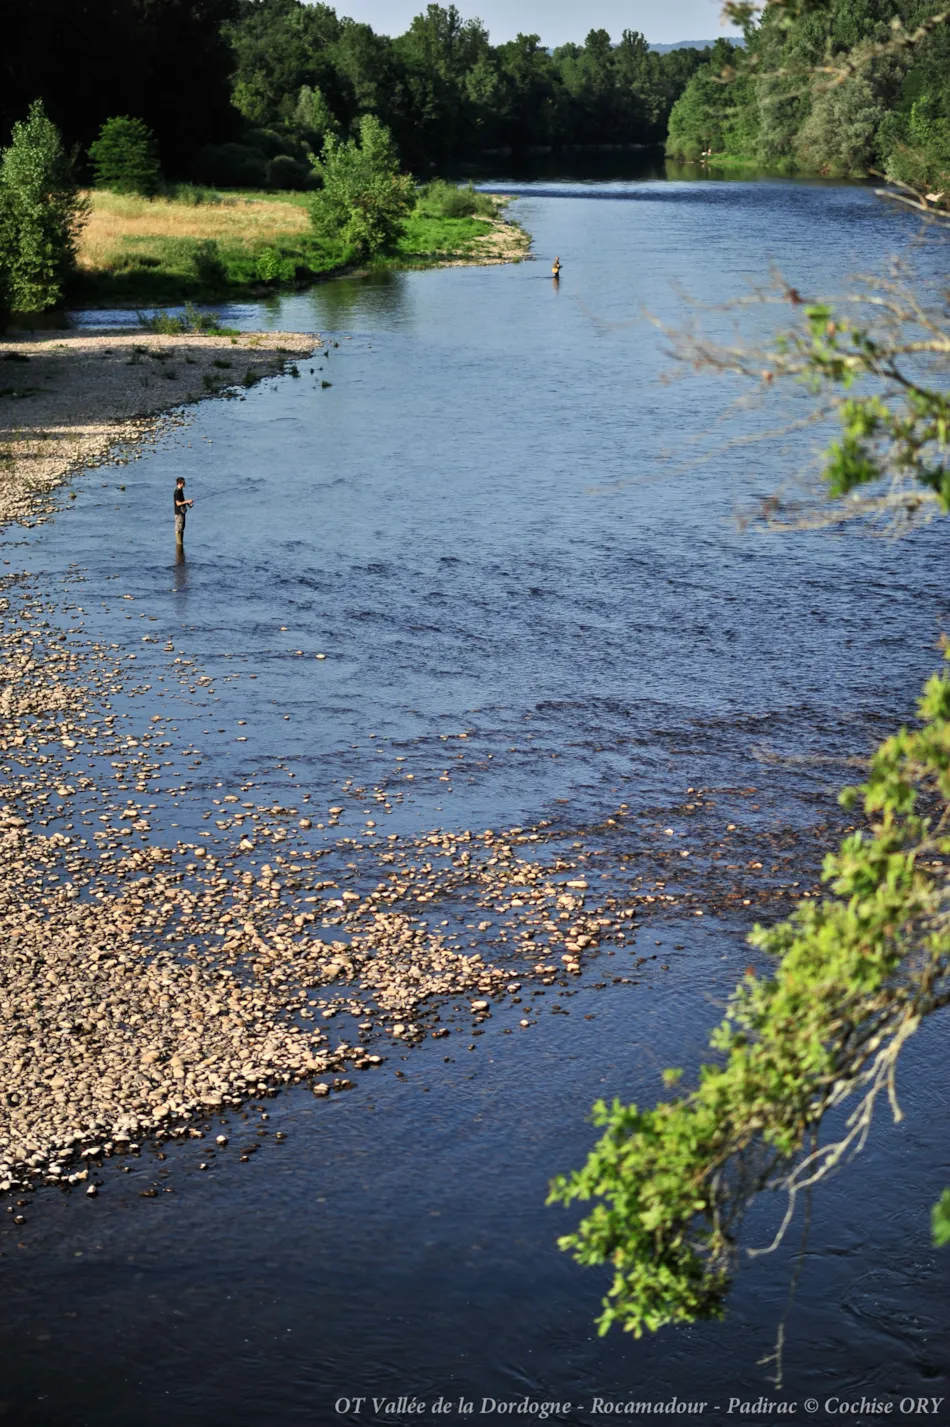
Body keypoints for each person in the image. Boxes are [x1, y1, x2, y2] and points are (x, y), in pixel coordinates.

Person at [174, 477, 193, 545]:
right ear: (180, 483)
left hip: (182, 512)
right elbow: (178, 503)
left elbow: (182, 500)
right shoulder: (177, 492)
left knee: (182, 528)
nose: (185, 484)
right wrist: (187, 501)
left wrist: (188, 504)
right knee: (179, 529)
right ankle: (179, 544)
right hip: (179, 513)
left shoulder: (181, 490)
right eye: (183, 483)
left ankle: (181, 543)